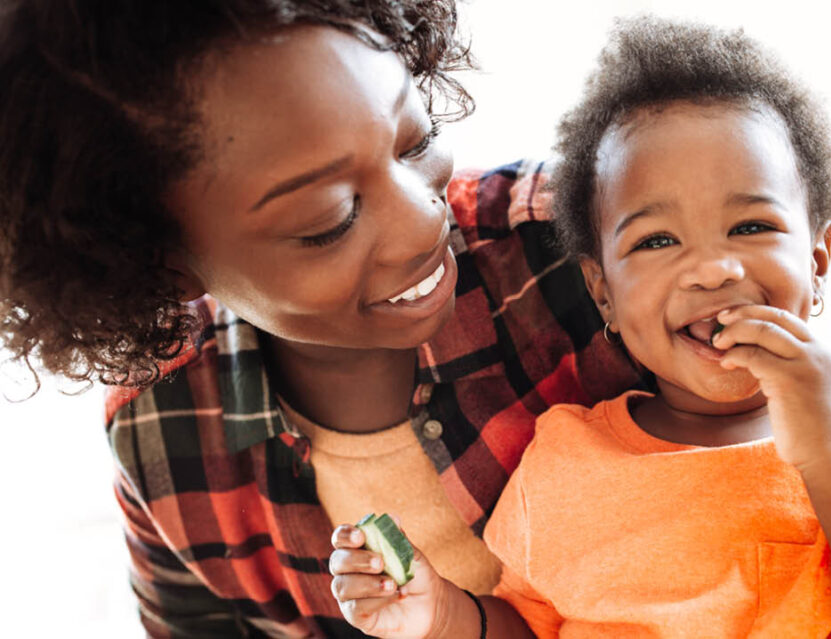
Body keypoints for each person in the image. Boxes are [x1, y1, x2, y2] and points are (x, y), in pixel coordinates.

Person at [330, 17, 831, 638]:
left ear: (817, 261)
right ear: (604, 295)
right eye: (657, 241)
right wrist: (442, 612)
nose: (712, 270)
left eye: (751, 227)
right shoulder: (563, 458)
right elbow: (527, 626)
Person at [0, 1, 642, 636]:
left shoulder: (599, 252)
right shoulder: (159, 432)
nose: (424, 218)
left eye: (415, 141)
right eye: (330, 221)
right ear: (159, 265)